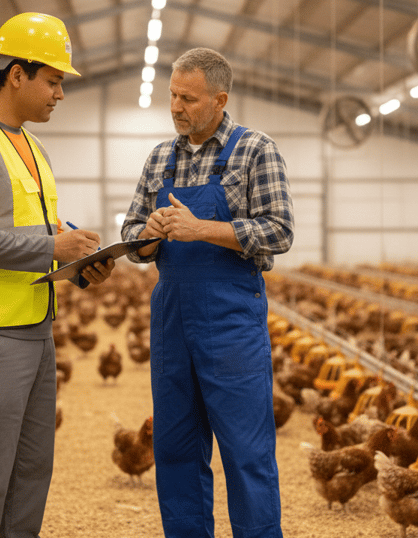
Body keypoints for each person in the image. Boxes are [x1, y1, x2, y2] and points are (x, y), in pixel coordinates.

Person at [0, 13, 114, 538]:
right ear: (16, 75)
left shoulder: (30, 147)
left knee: (29, 473)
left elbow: (39, 230)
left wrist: (77, 263)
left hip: (33, 328)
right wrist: (54, 246)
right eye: (52, 80)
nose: (59, 93)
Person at [121, 47, 294, 538]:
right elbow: (132, 230)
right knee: (174, 448)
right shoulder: (159, 157)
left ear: (219, 100)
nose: (175, 107)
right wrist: (147, 235)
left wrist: (205, 229)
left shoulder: (254, 150)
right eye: (172, 95)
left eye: (188, 99)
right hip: (172, 317)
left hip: (231, 320)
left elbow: (279, 230)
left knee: (246, 453)